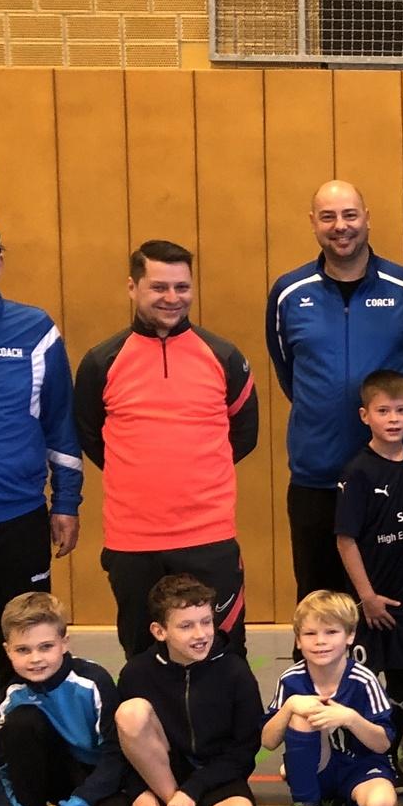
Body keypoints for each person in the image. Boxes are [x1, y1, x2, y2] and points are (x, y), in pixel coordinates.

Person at [75, 241, 258, 658]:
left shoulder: (224, 356)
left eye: (182, 287)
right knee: (143, 658)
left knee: (222, 655)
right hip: (133, 541)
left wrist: (196, 473)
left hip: (209, 536)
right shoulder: (101, 361)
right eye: (159, 287)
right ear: (133, 287)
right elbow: (91, 437)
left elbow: (244, 435)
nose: (172, 298)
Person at [0, 214, 81, 803]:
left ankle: (23, 785)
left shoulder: (36, 331)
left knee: (24, 664)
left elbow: (61, 423)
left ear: (0, 262)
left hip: (17, 525)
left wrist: (68, 501)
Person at [266, 180, 403, 598]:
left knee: (391, 605)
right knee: (320, 603)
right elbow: (288, 371)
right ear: (313, 223)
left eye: (350, 215)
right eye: (328, 217)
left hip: (394, 477)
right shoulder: (288, 293)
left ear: (367, 219)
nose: (340, 226)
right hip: (317, 478)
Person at [110, 574, 263, 806]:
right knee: (131, 712)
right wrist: (138, 791)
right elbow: (118, 744)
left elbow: (245, 749)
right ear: (159, 631)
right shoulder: (136, 673)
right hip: (163, 775)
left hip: (217, 774)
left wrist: (193, 789)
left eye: (206, 622)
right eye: (186, 626)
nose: (201, 634)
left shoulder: (234, 671)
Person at [333, 369, 403, 788]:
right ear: (364, 415)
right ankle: (373, 756)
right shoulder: (359, 471)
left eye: (401, 410)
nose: (393, 419)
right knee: (372, 677)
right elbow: (346, 540)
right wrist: (367, 597)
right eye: (383, 411)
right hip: (375, 600)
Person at [0, 592, 128, 806]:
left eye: (46, 647)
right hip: (57, 774)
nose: (35, 659)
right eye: (23, 650)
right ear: (7, 651)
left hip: (100, 779)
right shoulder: (12, 693)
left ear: (64, 643)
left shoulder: (93, 681)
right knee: (21, 722)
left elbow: (115, 756)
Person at [262, 590, 398, 806]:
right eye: (310, 634)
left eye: (331, 632)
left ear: (350, 636)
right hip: (319, 766)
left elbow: (383, 744)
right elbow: (268, 741)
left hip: (361, 767)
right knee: (302, 713)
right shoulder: (291, 680)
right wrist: (290, 706)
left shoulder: (364, 680)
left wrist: (349, 718)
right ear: (298, 640)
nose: (320, 641)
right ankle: (304, 803)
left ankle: (339, 803)